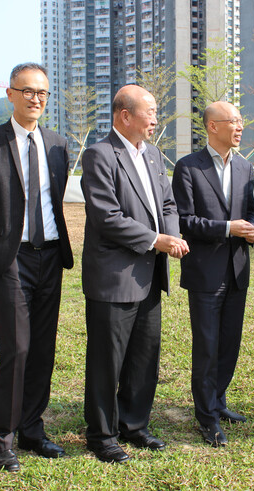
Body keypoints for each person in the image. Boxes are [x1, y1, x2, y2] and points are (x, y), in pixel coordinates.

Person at [0, 62, 73, 471]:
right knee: (15, 348)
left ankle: (32, 428)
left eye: (43, 93)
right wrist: (4, 242)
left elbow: (56, 199)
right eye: (27, 91)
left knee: (43, 348)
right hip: (11, 259)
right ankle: (3, 438)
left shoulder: (58, 144)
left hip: (50, 256)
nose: (35, 99)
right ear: (10, 94)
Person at [81, 84, 189, 464]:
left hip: (149, 276)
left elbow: (168, 202)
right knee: (107, 362)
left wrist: (171, 236)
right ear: (124, 116)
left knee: (145, 356)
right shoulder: (100, 156)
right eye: (151, 112)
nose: (156, 120)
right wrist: (157, 240)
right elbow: (107, 218)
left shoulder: (154, 155)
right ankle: (102, 435)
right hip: (114, 277)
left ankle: (134, 425)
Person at [171, 101, 254, 447]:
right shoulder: (188, 168)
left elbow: (249, 211)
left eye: (240, 121)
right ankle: (206, 415)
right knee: (206, 346)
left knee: (229, 344)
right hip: (205, 272)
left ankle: (218, 400)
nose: (239, 127)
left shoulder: (245, 166)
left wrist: (250, 228)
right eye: (233, 121)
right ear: (212, 126)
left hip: (237, 270)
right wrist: (227, 228)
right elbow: (184, 220)